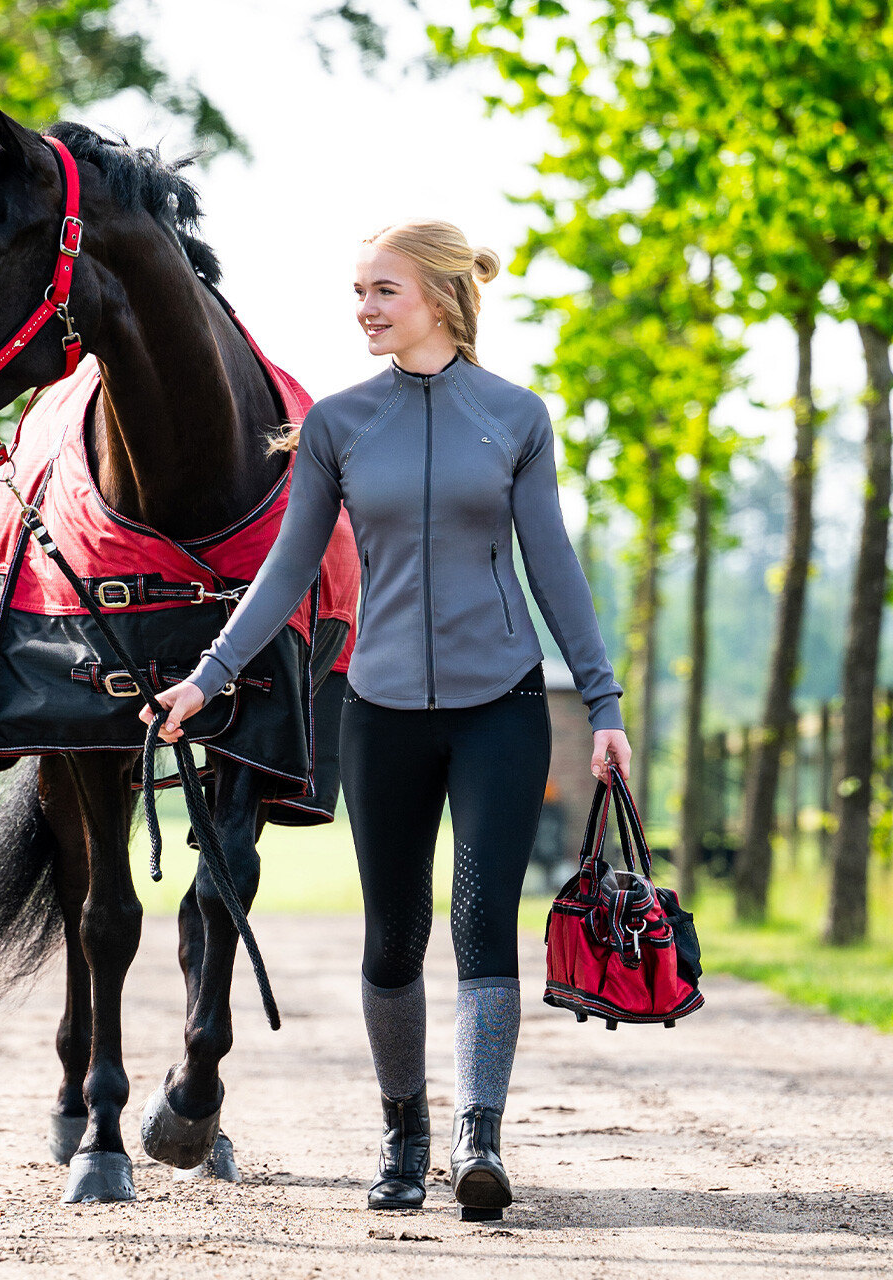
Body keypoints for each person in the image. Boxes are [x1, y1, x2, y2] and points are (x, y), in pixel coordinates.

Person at [139, 220, 631, 1217]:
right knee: (391, 935)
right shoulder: (336, 425)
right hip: (380, 709)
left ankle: (475, 1139)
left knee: (484, 917)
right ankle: (402, 1132)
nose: (362, 308)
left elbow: (553, 566)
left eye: (382, 291)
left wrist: (604, 701)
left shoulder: (513, 417)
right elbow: (285, 572)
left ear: (440, 299)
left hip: (500, 704)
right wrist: (206, 675)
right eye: (357, 291)